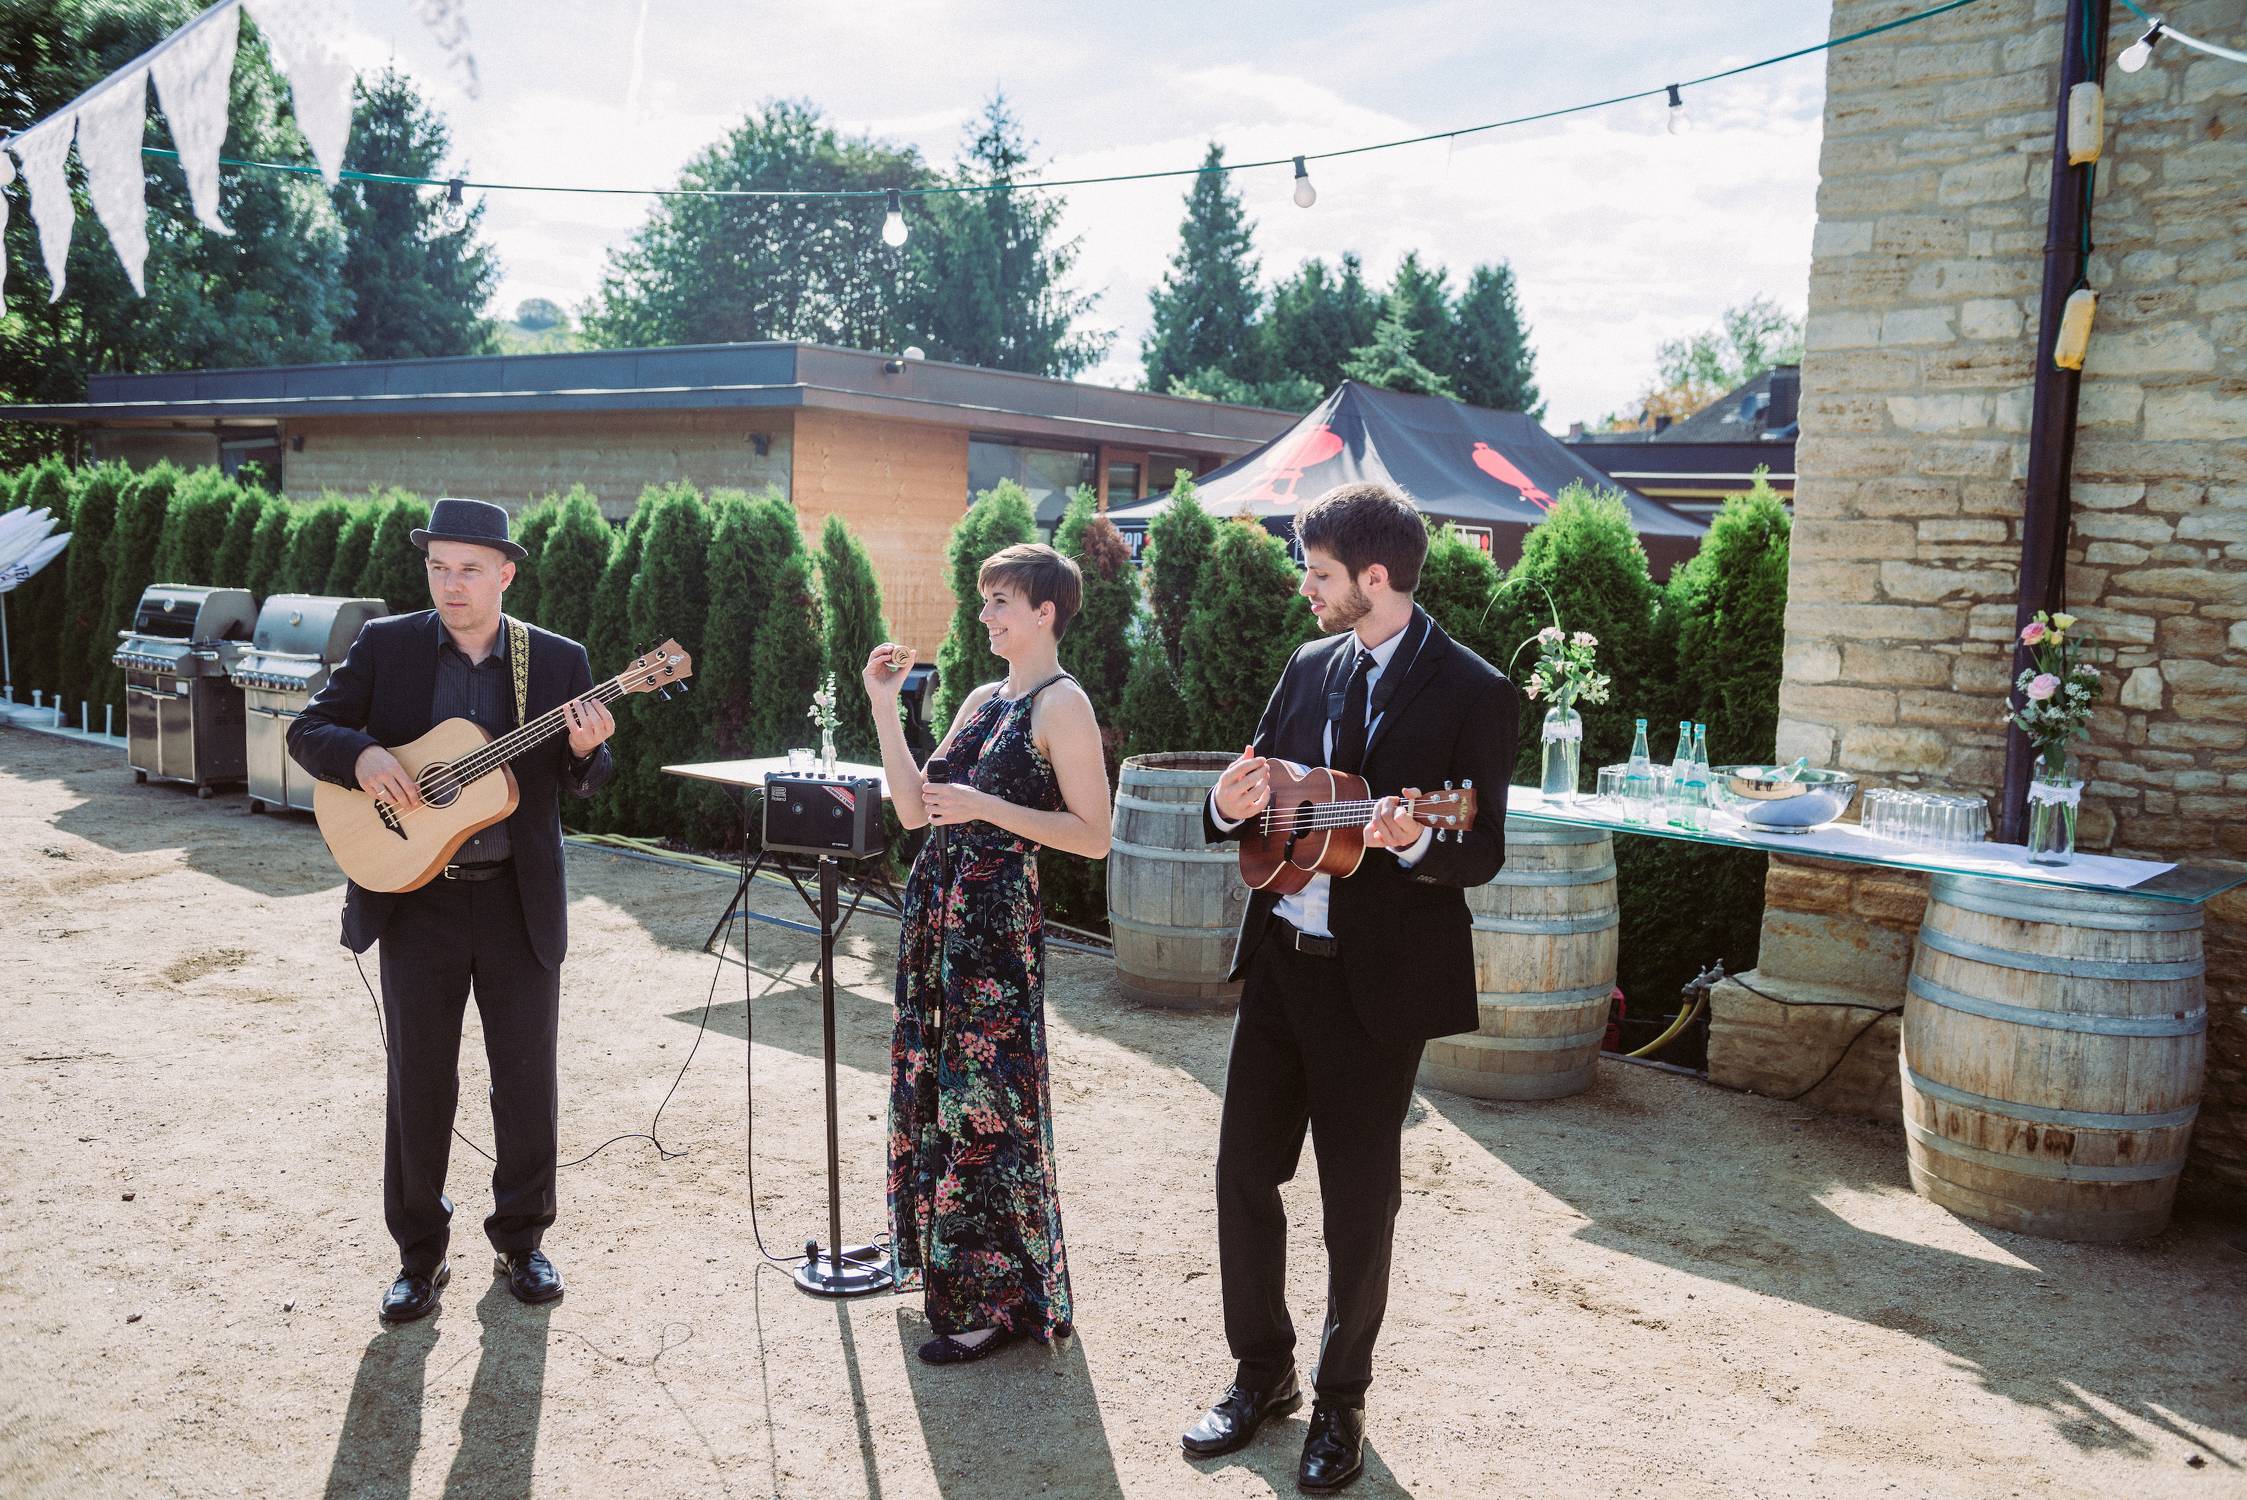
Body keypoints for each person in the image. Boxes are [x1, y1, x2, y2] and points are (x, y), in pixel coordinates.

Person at [1182, 483, 1516, 1492]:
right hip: (1281, 962)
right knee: (1243, 1174)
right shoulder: (1308, 663)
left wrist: (1412, 840)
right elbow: (1259, 799)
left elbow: (1481, 846)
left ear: (1375, 577)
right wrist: (1224, 804)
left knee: (1357, 1207)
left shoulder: (1474, 689)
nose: (1306, 589)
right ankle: (1262, 1374)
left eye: (1319, 574)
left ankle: (1341, 1400)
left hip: (1378, 989)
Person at [288, 497, 618, 1324]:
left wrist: (587, 752)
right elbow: (310, 729)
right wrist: (362, 754)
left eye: (469, 568)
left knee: (525, 1078)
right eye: (438, 567)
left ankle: (522, 1240)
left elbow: (583, 779)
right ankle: (418, 1255)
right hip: (415, 899)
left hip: (516, 900)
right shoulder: (388, 644)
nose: (451, 584)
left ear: (505, 575)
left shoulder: (556, 660)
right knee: (419, 1081)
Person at [862, 542, 1112, 1365]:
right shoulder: (979, 698)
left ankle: (996, 1304)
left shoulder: (1061, 704)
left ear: (1045, 611)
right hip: (935, 914)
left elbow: (1094, 836)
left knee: (986, 1108)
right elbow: (913, 811)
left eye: (1001, 600)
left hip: (994, 929)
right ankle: (948, 1274)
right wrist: (885, 707)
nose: (985, 614)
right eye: (985, 600)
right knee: (938, 1092)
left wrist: (985, 807)